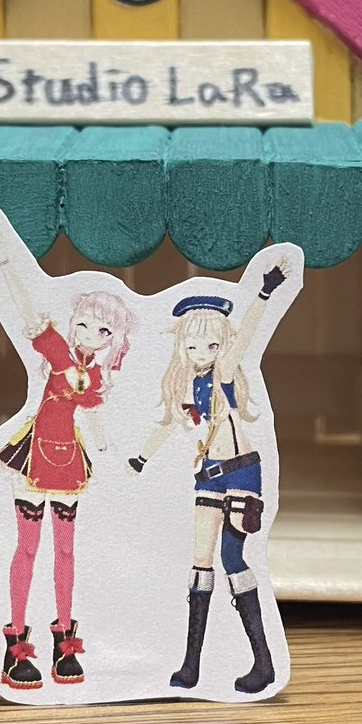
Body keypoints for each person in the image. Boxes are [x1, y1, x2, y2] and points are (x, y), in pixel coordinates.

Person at [0, 227, 135, 690]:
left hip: (69, 461)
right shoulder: (57, 352)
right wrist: (4, 261)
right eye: (83, 324)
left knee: (66, 549)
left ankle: (64, 638)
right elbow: (26, 310)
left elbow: (96, 419)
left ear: (113, 339)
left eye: (103, 330)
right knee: (26, 546)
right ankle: (15, 642)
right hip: (34, 455)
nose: (90, 335)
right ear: (73, 322)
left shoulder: (98, 377)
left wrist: (113, 452)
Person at [128, 260, 289, 695]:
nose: (202, 353)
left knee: (233, 558)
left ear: (222, 345)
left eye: (211, 345)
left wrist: (264, 292)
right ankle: (191, 666)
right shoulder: (186, 385)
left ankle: (264, 663)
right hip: (208, 474)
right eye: (193, 346)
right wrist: (140, 458)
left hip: (241, 470)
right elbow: (169, 423)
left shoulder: (224, 374)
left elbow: (247, 336)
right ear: (182, 346)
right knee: (200, 563)